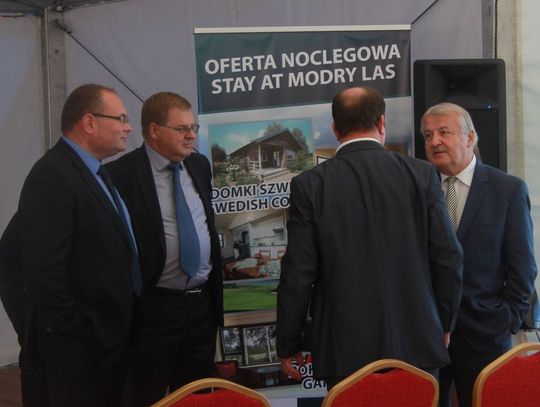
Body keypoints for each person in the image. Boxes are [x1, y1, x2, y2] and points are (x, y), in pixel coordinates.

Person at [276, 86, 463, 389]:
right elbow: (448, 256)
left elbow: (298, 272)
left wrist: (288, 342)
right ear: (381, 123)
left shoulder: (310, 185)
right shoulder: (422, 175)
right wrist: (443, 323)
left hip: (344, 350)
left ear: (335, 129)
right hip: (418, 342)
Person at [0, 83, 138, 406]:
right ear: (89, 122)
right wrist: (69, 333)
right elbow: (43, 268)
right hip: (77, 357)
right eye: (121, 118)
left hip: (106, 348)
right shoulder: (53, 175)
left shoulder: (94, 174)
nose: (128, 127)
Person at [106, 91, 223, 406]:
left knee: (198, 397)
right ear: (154, 131)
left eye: (193, 127)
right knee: (146, 395)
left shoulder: (199, 165)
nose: (191, 135)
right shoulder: (120, 175)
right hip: (153, 310)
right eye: (182, 128)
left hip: (201, 307)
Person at [422, 102, 538, 407]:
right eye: (428, 135)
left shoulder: (507, 190)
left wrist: (507, 320)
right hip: (428, 337)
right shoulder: (417, 190)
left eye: (444, 132)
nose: (434, 141)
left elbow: (523, 267)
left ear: (470, 137)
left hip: (485, 334)